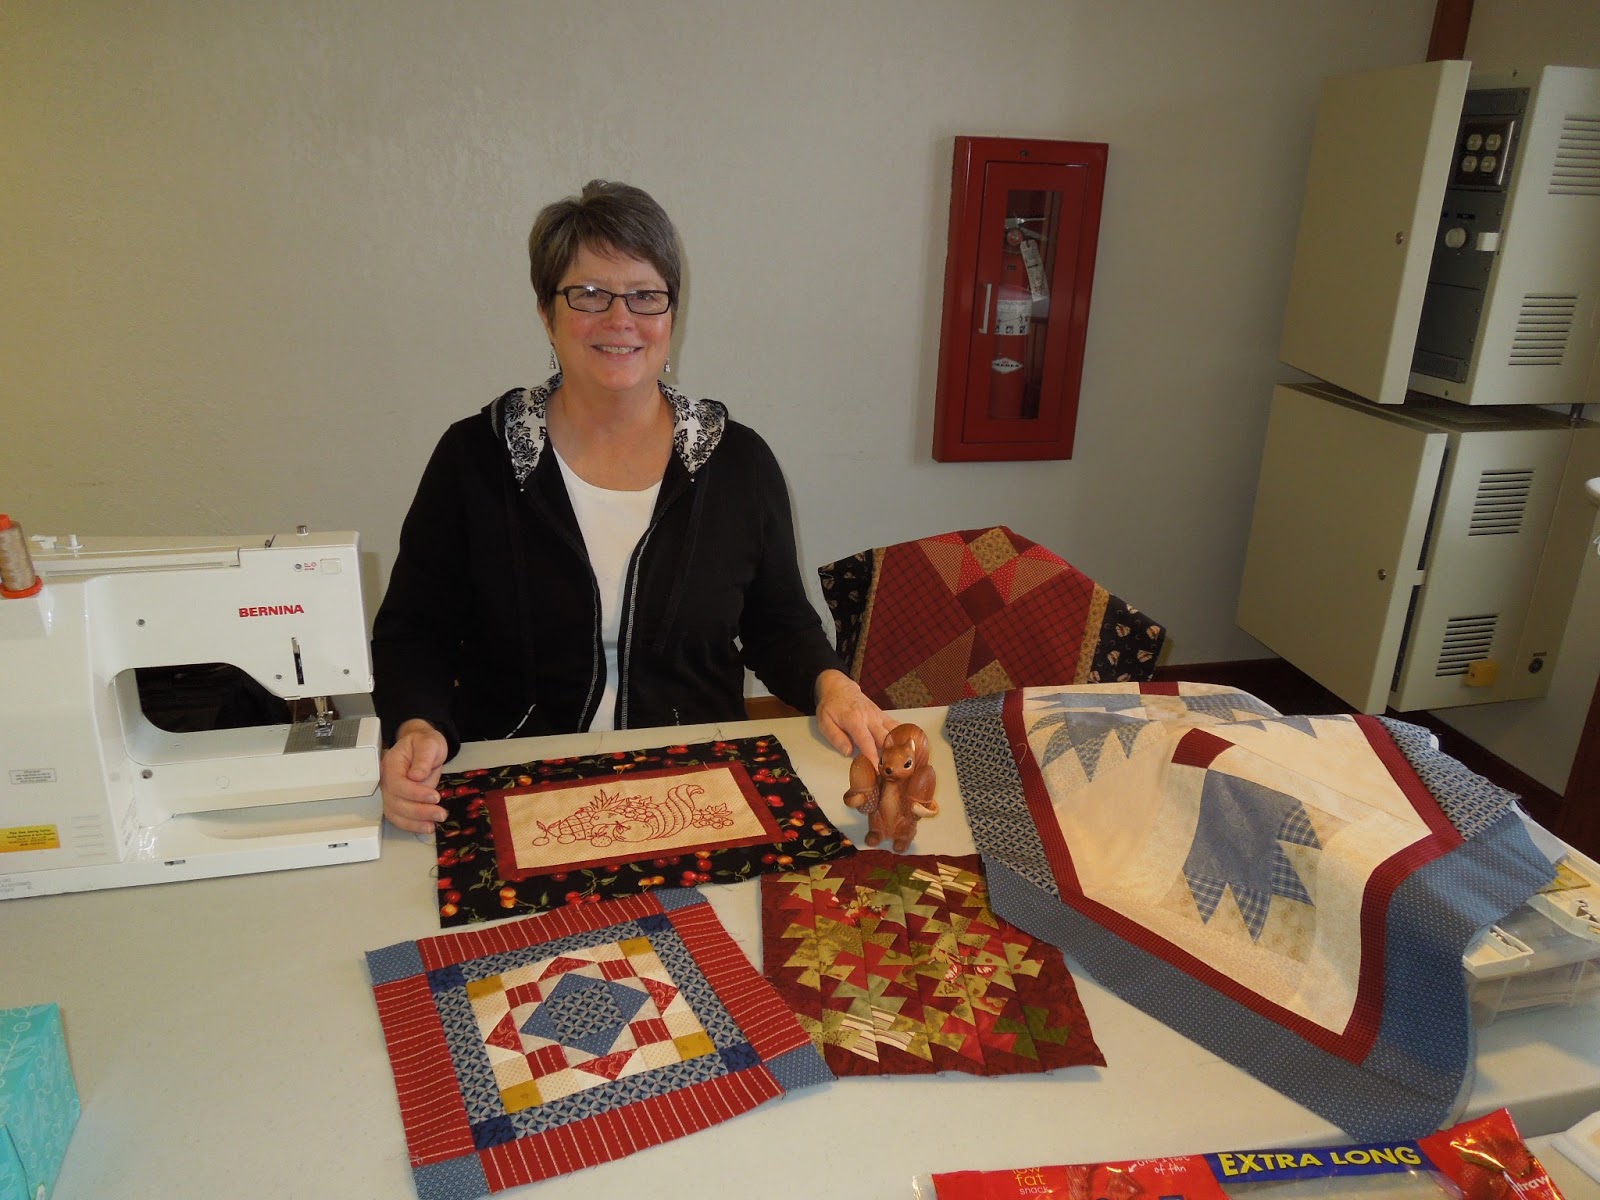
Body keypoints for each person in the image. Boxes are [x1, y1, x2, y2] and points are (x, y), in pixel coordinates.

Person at [372, 179, 893, 835]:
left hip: (695, 780)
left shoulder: (737, 462)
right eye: (589, 294)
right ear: (547, 314)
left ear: (672, 316)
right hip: (517, 777)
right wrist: (416, 724)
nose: (620, 319)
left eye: (646, 296)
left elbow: (779, 622)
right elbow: (414, 633)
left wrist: (830, 683)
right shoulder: (475, 458)